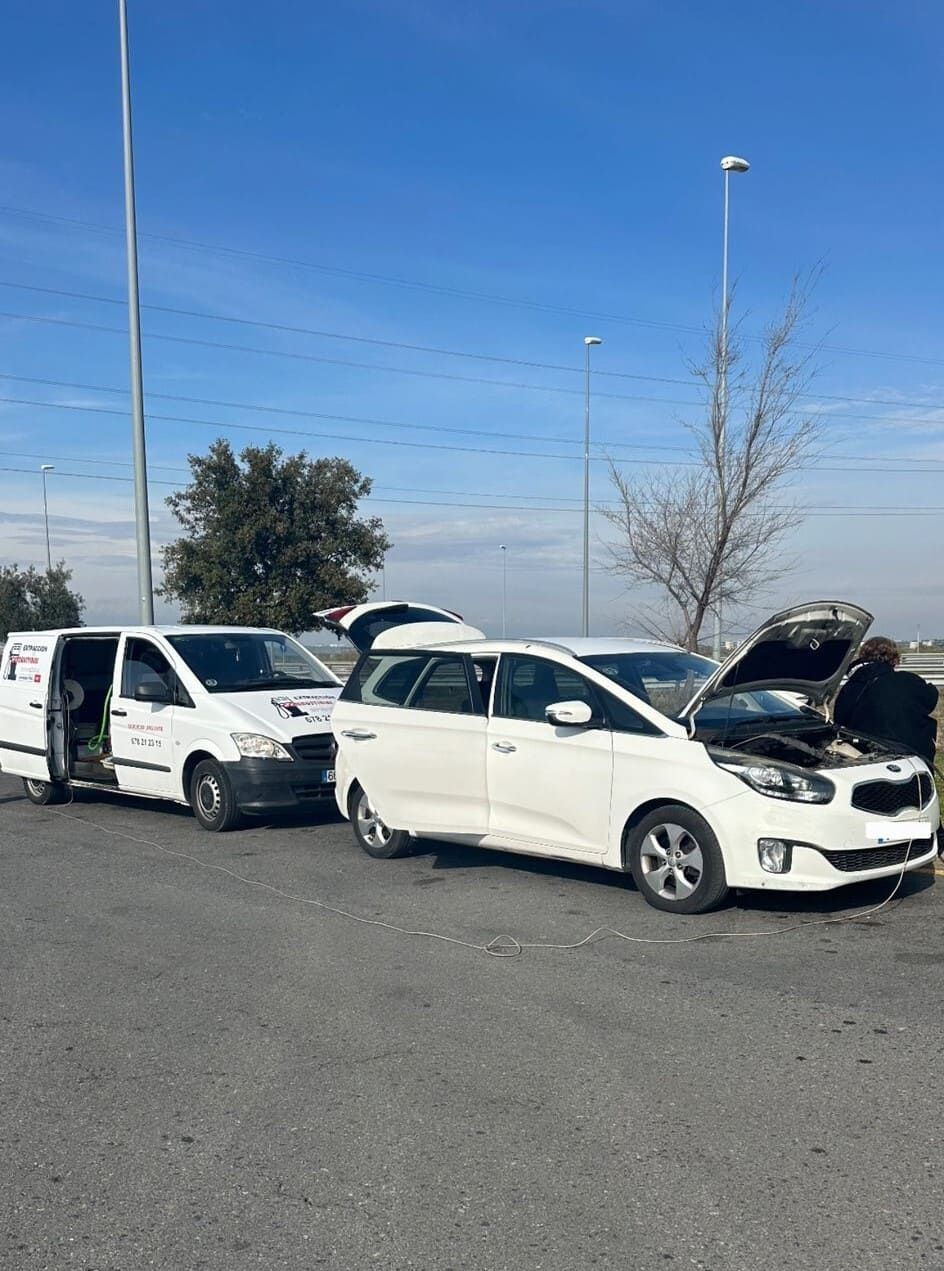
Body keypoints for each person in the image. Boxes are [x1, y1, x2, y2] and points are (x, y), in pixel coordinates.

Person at [834, 636, 938, 769]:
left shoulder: (850, 687)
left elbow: (840, 721)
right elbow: (931, 699)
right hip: (915, 759)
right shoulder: (908, 680)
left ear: (863, 655)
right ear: (894, 657)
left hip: (867, 760)